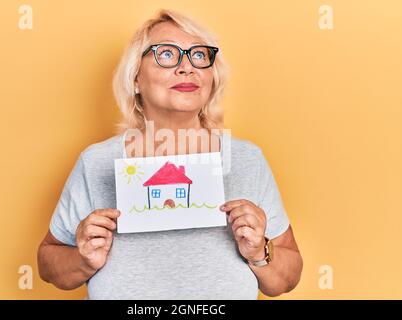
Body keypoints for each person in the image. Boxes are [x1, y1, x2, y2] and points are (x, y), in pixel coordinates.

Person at [37, 8, 303, 299]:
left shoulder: (247, 160)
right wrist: (82, 260)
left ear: (212, 77)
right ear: (135, 77)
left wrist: (259, 253)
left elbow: (286, 279)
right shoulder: (97, 162)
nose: (187, 67)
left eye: (200, 56)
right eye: (166, 54)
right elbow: (48, 263)